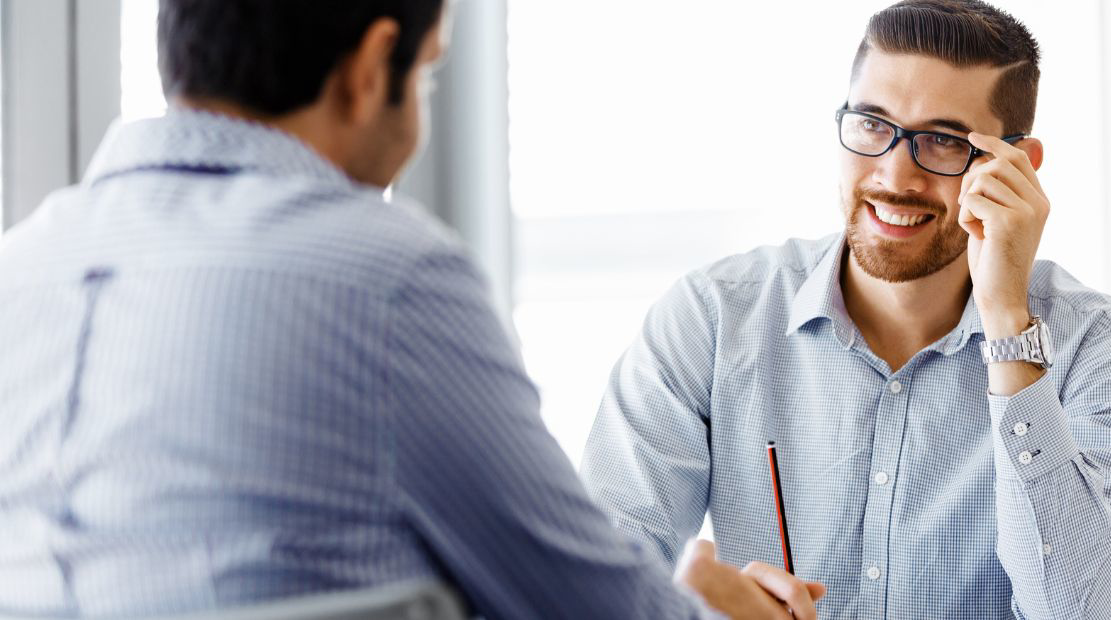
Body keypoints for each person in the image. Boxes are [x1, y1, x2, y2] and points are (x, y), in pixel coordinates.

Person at [0, 1, 824, 618]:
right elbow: (580, 601)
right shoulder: (383, 274)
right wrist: (709, 604)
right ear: (371, 66)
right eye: (426, 75)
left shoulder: (22, 263)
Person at [580, 1, 1111, 618]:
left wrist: (1006, 323)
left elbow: (1083, 611)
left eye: (942, 141)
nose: (895, 175)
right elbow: (589, 585)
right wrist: (686, 606)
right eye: (871, 124)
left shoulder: (1099, 344)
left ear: (1017, 167)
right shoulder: (712, 319)